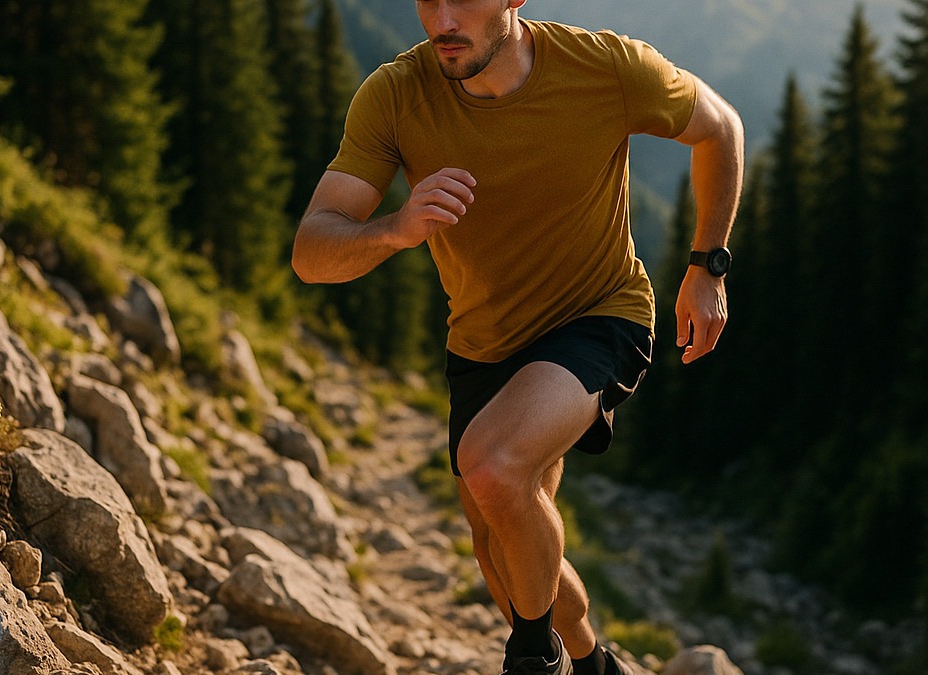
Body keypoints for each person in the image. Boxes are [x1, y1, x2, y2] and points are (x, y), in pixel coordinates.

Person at [292, 1, 743, 673]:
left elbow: (720, 128)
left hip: (601, 314)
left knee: (494, 464)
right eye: (427, 1)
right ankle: (593, 661)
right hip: (484, 341)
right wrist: (394, 227)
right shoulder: (395, 94)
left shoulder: (605, 68)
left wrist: (708, 266)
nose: (441, 20)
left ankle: (531, 656)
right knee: (499, 541)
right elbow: (311, 251)